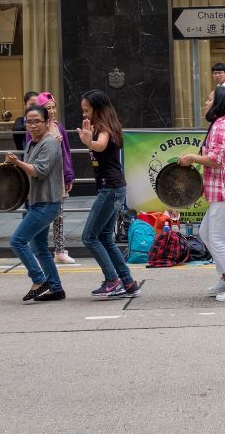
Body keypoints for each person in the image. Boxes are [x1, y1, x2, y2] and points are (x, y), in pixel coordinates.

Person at [178, 87, 225, 302]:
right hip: (224, 189)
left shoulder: (221, 126)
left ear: (219, 103)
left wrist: (191, 158)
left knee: (217, 239)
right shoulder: (223, 125)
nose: (206, 102)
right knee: (205, 233)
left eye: (209, 99)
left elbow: (215, 159)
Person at [77, 90, 140, 299]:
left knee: (89, 236)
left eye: (87, 110)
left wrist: (89, 142)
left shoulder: (103, 128)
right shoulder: (105, 125)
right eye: (83, 110)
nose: (84, 114)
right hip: (115, 188)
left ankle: (113, 281)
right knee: (105, 236)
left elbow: (101, 145)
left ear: (98, 108)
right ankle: (127, 281)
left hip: (111, 188)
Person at [6, 105, 66, 302]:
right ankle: (56, 288)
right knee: (39, 247)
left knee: (17, 240)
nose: (32, 125)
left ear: (46, 122)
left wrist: (18, 163)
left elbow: (38, 171)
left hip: (47, 203)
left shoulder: (50, 143)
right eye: (29, 122)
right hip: (35, 201)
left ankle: (39, 279)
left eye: (37, 121)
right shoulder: (32, 143)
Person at [27, 93, 76, 264]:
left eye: (54, 107)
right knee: (41, 214)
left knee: (59, 214)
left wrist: (68, 175)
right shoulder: (35, 128)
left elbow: (66, 153)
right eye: (48, 108)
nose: (52, 111)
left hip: (58, 176)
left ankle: (60, 250)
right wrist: (49, 143)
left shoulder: (58, 127)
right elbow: (30, 153)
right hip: (41, 177)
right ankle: (38, 249)